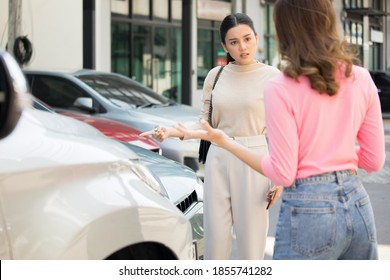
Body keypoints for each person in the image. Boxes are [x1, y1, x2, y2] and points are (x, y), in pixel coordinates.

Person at [174, 0, 386, 260]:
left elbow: (284, 172)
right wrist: (338, 158)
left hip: (309, 208)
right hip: (358, 204)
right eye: (234, 42)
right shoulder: (362, 77)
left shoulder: (280, 86)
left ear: (285, 31)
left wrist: (225, 142)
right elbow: (374, 161)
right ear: (330, 21)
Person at [141, 13, 281, 260]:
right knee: (215, 242)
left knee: (252, 246)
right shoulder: (215, 76)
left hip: (253, 159)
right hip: (218, 159)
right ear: (224, 46)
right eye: (234, 42)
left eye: (247, 39)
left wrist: (279, 177)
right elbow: (204, 122)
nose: (243, 47)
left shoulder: (273, 77)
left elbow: (281, 131)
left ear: (257, 38)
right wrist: (172, 131)